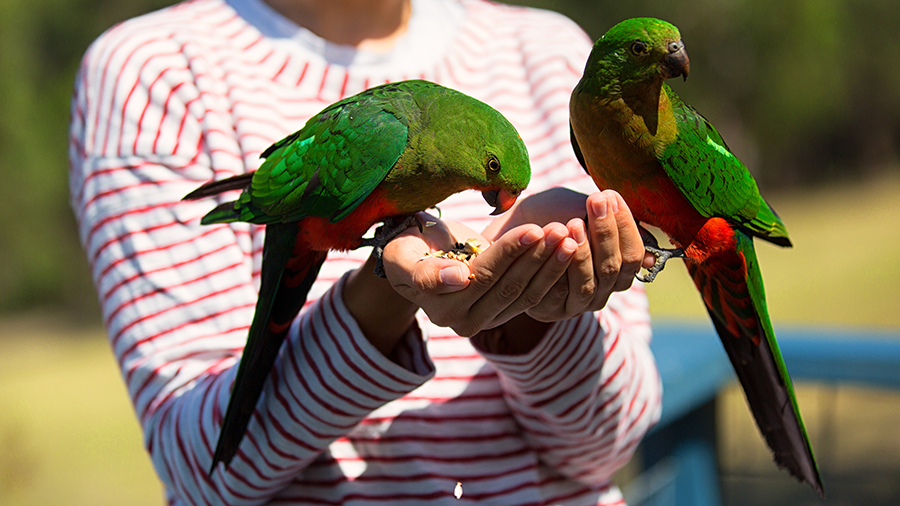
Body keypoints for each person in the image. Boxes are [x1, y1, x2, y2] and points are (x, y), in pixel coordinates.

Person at [68, 0, 662, 504]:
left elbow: (610, 445)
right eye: (491, 181)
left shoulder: (552, 55)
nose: (497, 202)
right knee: (262, 350)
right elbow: (203, 475)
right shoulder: (151, 73)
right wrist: (384, 288)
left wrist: (536, 305)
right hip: (306, 233)